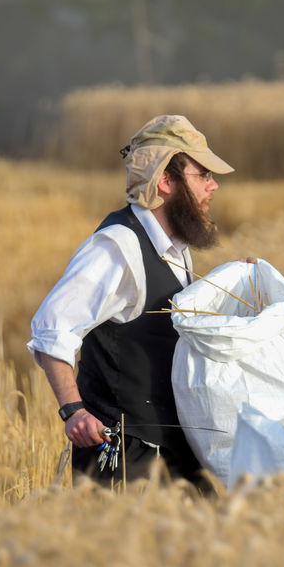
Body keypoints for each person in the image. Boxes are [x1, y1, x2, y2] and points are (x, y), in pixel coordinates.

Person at [29, 115, 235, 487]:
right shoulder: (117, 248)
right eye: (202, 174)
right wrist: (74, 410)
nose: (213, 185)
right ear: (166, 181)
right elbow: (51, 328)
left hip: (172, 449)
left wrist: (242, 286)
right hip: (125, 461)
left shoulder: (175, 246)